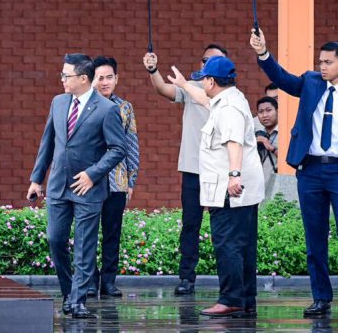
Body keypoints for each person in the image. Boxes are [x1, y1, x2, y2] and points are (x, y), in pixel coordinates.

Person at [251, 29, 338, 315]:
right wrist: (263, 53)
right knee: (315, 236)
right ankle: (321, 297)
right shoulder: (311, 83)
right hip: (310, 171)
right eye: (320, 61)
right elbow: (283, 79)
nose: (322, 67)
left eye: (328, 62)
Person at [27, 53, 126, 319]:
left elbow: (118, 149)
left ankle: (79, 300)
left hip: (88, 188)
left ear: (83, 78)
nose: (62, 79)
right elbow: (48, 142)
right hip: (58, 185)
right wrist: (37, 179)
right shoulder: (58, 102)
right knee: (55, 239)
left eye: (66, 75)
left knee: (84, 246)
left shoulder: (106, 109)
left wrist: (93, 174)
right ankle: (69, 292)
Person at [167, 56, 264, 318]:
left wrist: (234, 176)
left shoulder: (229, 107)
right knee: (243, 244)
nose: (201, 83)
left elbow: (233, 143)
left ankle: (231, 299)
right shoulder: (229, 99)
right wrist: (184, 85)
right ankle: (245, 299)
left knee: (228, 244)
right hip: (237, 188)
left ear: (211, 81)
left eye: (203, 79)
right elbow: (205, 101)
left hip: (229, 189)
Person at [142, 44, 228, 295]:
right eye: (204, 59)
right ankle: (187, 278)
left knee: (222, 227)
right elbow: (162, 88)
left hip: (221, 170)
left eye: (214, 60)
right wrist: (153, 70)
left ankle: (228, 280)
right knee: (190, 225)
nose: (207, 64)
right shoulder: (191, 87)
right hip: (193, 168)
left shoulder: (231, 94)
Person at [87, 56, 139, 298]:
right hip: (89, 182)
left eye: (109, 77)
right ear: (91, 79)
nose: (104, 82)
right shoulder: (85, 105)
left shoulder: (124, 108)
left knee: (112, 233)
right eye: (100, 78)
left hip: (117, 182)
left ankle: (108, 282)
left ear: (116, 79)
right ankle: (88, 280)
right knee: (87, 233)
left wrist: (131, 180)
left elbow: (132, 144)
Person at [255, 96, 279, 201]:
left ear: (277, 111)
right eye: (261, 112)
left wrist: (271, 148)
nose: (265, 115)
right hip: (258, 190)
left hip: (277, 189)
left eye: (269, 110)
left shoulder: (286, 133)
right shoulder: (256, 135)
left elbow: (289, 160)